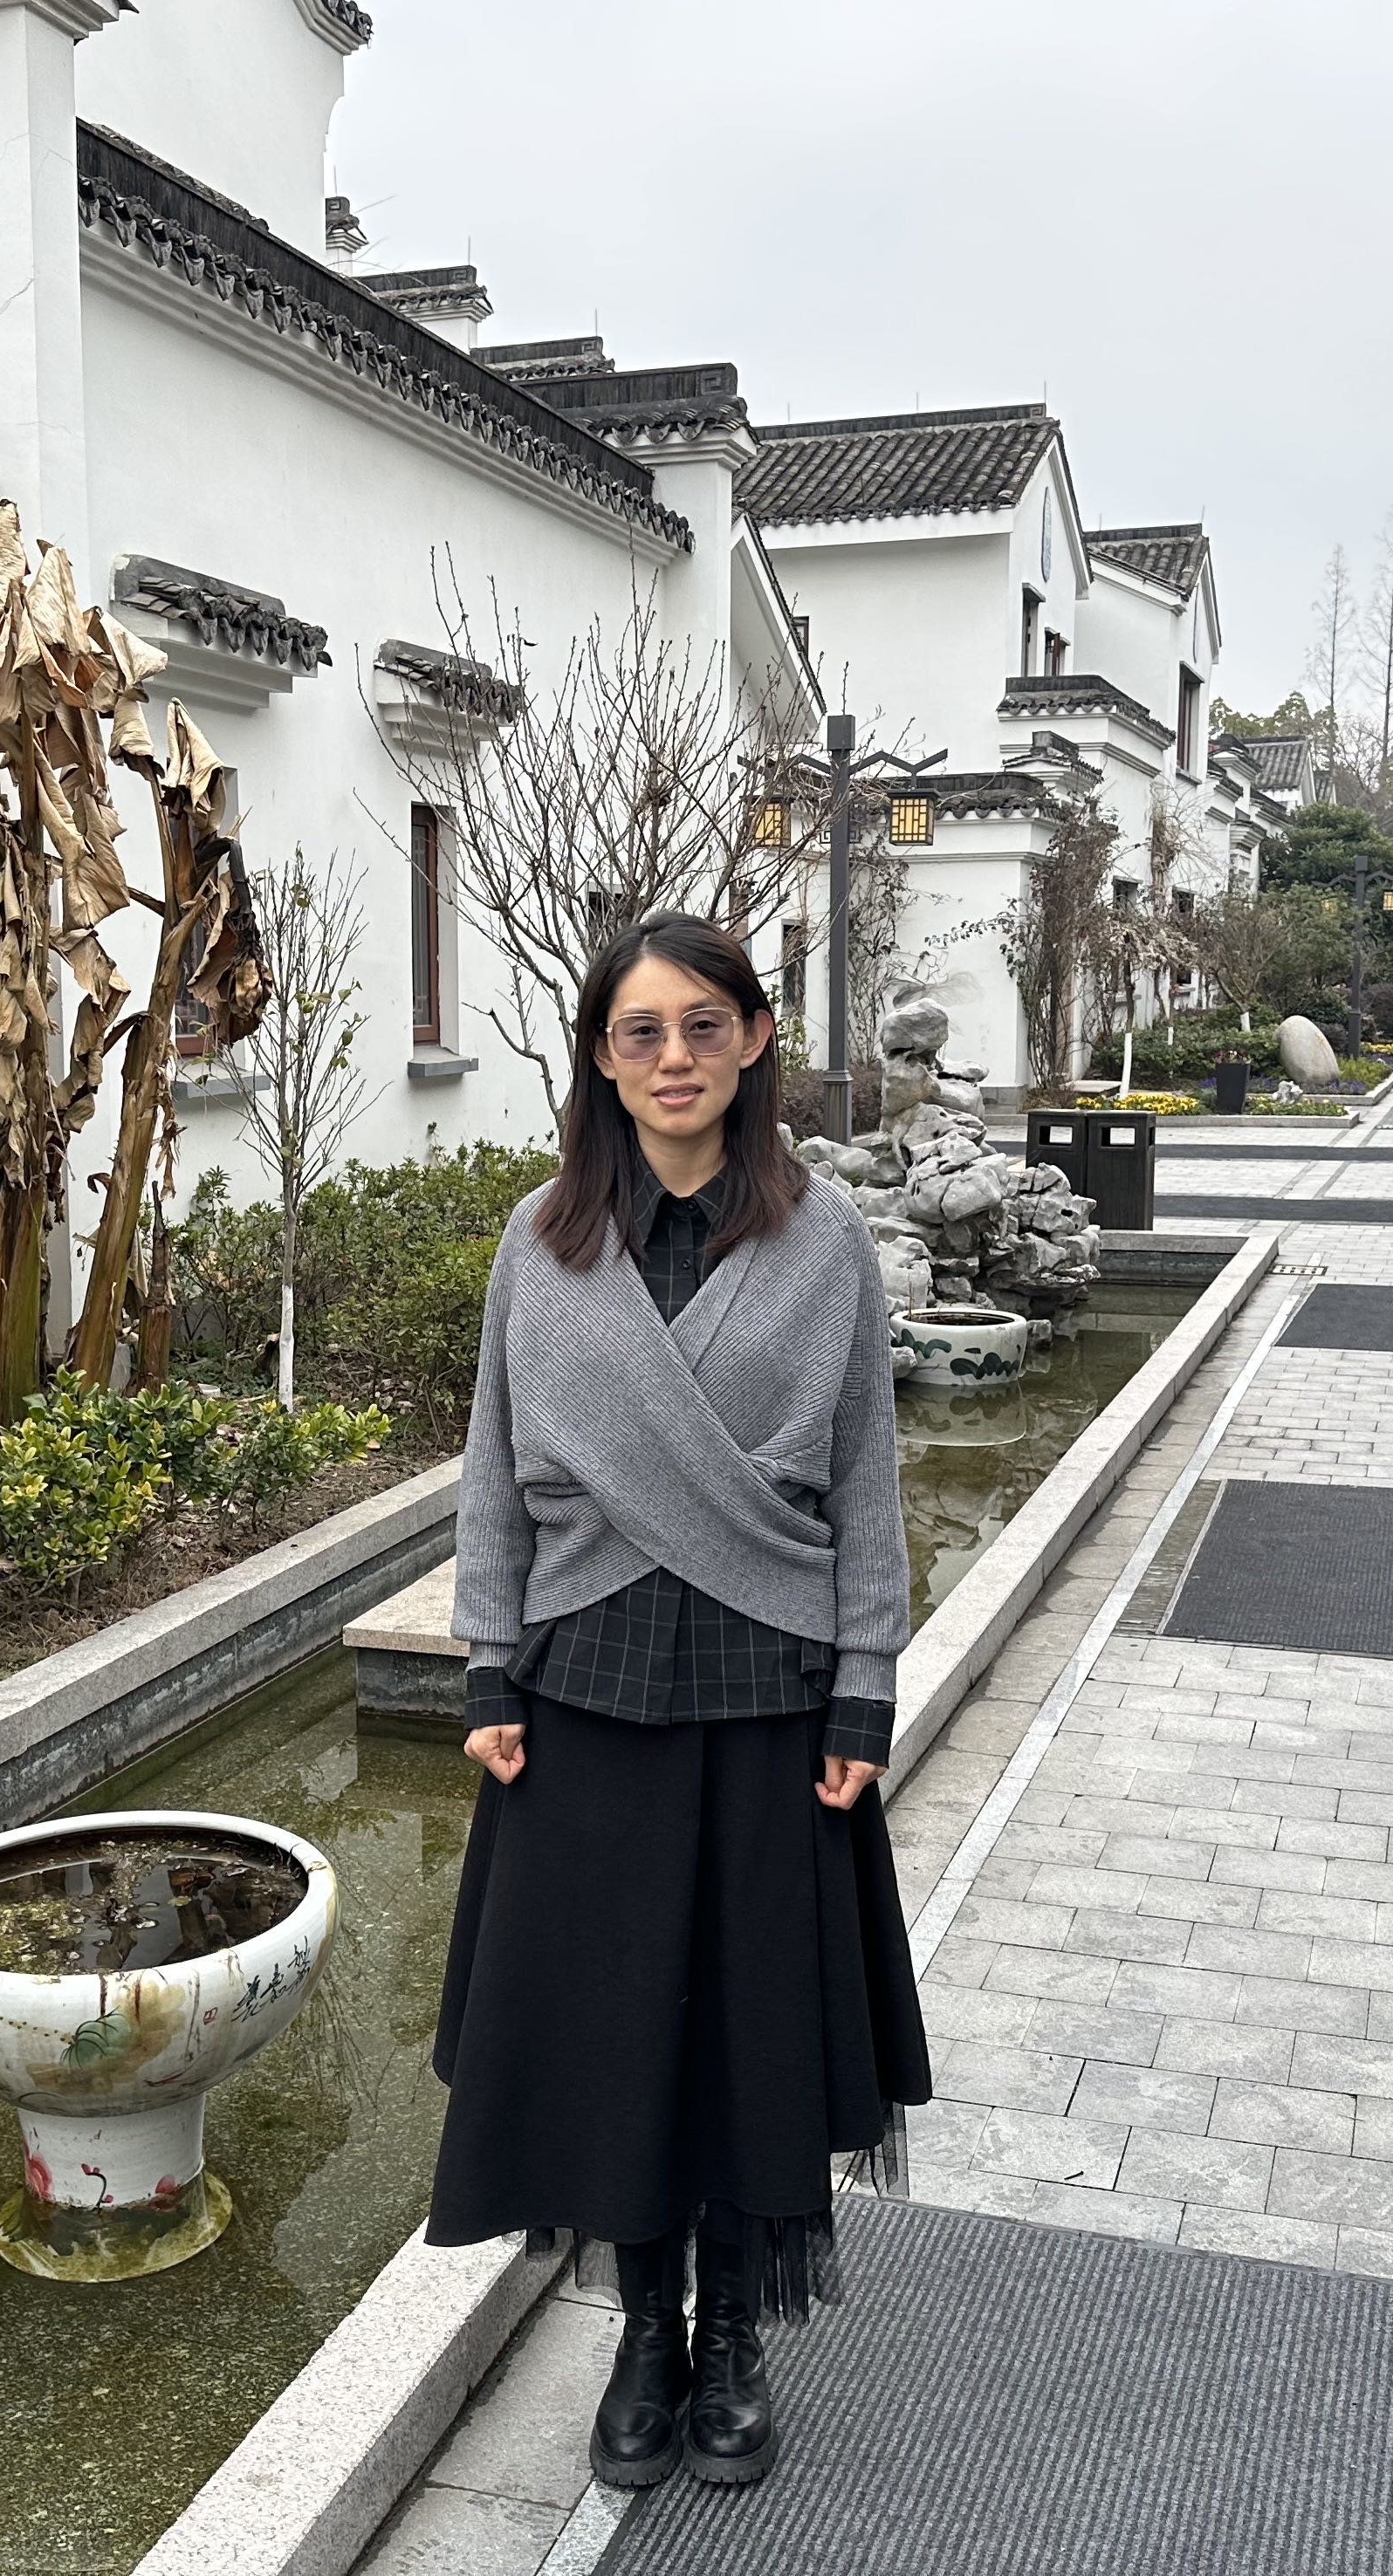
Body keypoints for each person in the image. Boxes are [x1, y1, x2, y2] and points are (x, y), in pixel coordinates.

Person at [425, 911, 930, 2493]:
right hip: (583, 1693)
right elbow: (491, 1474)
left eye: (705, 1026)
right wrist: (487, 1667)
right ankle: (645, 2334)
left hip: (768, 1694)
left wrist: (863, 1697)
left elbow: (866, 1481)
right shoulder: (543, 1242)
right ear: (600, 1055)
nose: (674, 1059)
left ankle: (733, 2344)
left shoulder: (824, 1242)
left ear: (756, 1038)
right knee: (613, 2036)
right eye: (641, 1031)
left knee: (747, 2039)